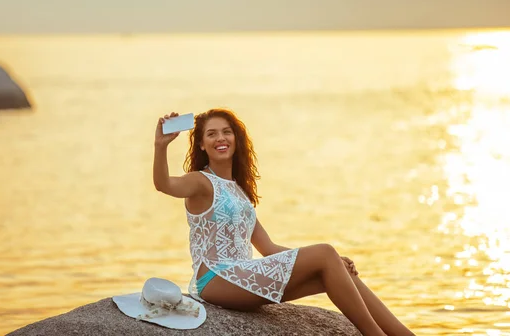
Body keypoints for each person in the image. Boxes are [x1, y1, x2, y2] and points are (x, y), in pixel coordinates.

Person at [153, 108, 414, 336]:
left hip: (239, 275)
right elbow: (163, 184)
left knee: (333, 271)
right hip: (215, 278)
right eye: (211, 134)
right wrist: (161, 146)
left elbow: (268, 248)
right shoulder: (200, 181)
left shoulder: (238, 193)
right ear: (201, 144)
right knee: (325, 252)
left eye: (227, 132)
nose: (220, 138)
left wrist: (334, 263)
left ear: (236, 139)